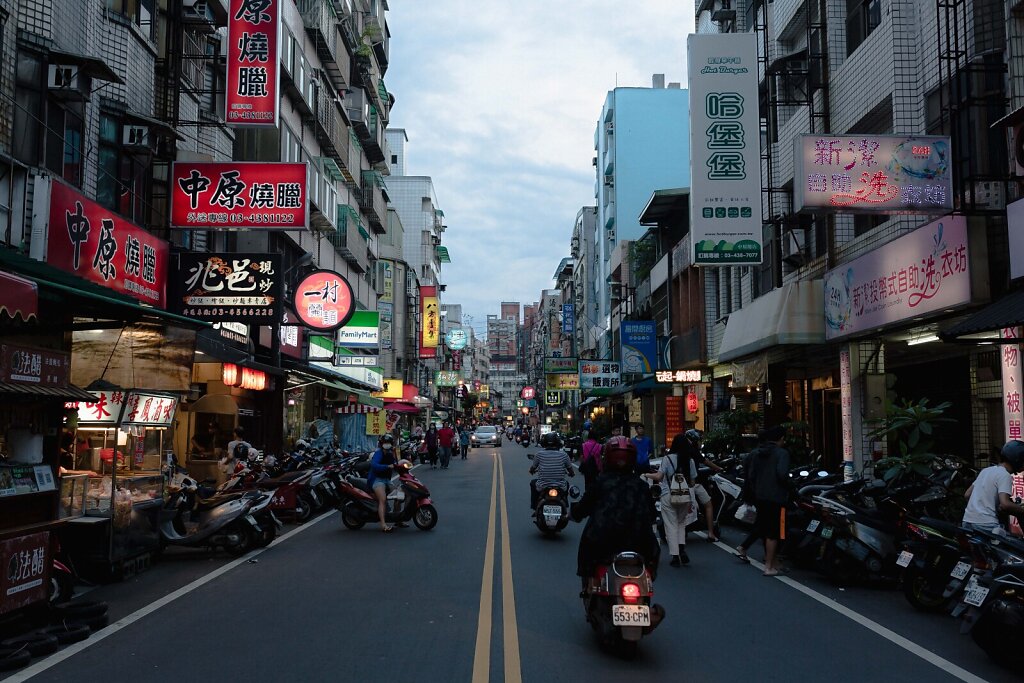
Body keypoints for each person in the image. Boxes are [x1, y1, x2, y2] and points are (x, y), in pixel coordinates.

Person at [572, 436, 660, 587]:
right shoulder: (641, 485)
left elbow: (583, 508)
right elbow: (652, 515)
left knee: (587, 549)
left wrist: (574, 514)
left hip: (602, 541)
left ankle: (590, 585)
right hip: (639, 542)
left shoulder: (600, 482)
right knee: (653, 553)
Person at [736, 425, 791, 576]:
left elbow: (751, 475)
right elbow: (782, 475)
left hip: (760, 496)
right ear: (781, 439)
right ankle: (769, 566)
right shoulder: (782, 454)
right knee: (774, 532)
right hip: (776, 497)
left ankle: (772, 562)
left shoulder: (758, 453)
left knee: (764, 527)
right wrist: (790, 488)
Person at [645, 445, 696, 566]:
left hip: (668, 495)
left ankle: (675, 556)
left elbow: (659, 477)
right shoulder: (690, 460)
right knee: (681, 523)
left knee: (671, 525)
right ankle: (682, 550)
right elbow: (693, 482)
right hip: (684, 496)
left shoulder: (667, 459)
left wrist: (646, 474)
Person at [669, 429, 721, 542]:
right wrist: (717, 468)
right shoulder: (691, 452)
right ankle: (711, 533)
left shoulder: (669, 457)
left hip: (674, 487)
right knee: (708, 504)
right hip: (692, 485)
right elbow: (701, 465)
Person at [962, 440, 1024, 533]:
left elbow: (967, 495)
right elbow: (1005, 504)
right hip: (986, 524)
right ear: (1017, 460)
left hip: (967, 521)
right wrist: (1021, 509)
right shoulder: (1004, 475)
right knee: (1010, 546)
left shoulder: (986, 470)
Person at [529, 432, 575, 510]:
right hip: (560, 486)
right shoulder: (564, 455)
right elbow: (571, 470)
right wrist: (571, 474)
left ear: (544, 443)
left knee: (533, 483)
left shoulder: (539, 454)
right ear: (558, 443)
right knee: (566, 483)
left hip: (542, 485)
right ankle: (565, 502)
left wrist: (531, 471)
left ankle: (534, 506)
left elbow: (533, 468)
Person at [367, 434, 398, 532]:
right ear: (381, 444)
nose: (387, 445)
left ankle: (398, 520)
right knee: (383, 500)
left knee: (399, 496)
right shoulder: (378, 453)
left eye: (388, 443)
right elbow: (374, 465)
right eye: (385, 443)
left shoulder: (390, 453)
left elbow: (395, 463)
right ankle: (383, 524)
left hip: (387, 480)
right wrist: (387, 467)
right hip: (377, 479)